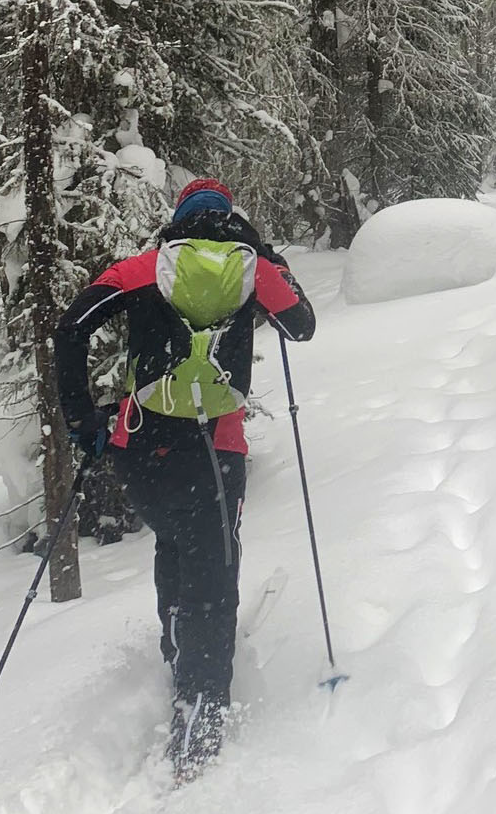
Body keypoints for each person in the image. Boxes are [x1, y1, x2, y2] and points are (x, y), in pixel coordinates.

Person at [54, 179, 315, 781]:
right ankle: (200, 713)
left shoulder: (144, 269)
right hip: (212, 447)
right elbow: (301, 326)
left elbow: (70, 329)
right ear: (228, 217)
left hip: (139, 443)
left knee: (173, 542)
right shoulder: (252, 270)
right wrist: (270, 260)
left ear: (179, 221)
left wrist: (79, 419)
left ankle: (178, 651)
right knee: (215, 574)